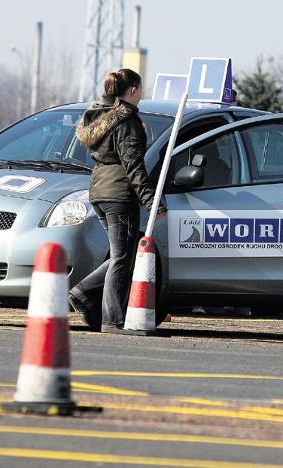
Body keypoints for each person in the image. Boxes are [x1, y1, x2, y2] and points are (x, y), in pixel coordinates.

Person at [68, 68, 167, 334]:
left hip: (99, 191)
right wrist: (151, 201)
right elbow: (134, 165)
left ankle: (82, 291)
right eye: (141, 90)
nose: (141, 96)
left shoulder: (100, 116)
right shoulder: (127, 122)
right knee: (122, 257)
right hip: (119, 195)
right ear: (133, 90)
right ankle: (111, 319)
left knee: (120, 253)